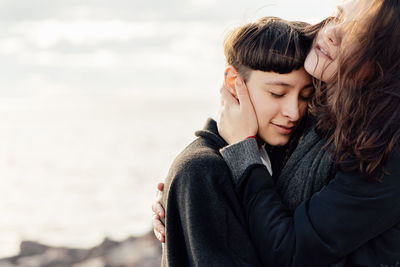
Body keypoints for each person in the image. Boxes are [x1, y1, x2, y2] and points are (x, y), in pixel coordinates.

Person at [154, 0, 400, 266]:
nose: (332, 32)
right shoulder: (323, 104)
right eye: (337, 17)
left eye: (359, 34)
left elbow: (289, 249)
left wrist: (241, 151)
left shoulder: (386, 149)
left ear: (385, 62)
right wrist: (187, 191)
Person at [157, 16, 315, 266]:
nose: (294, 112)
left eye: (306, 96)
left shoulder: (276, 155)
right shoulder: (202, 170)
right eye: (277, 93)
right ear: (233, 82)